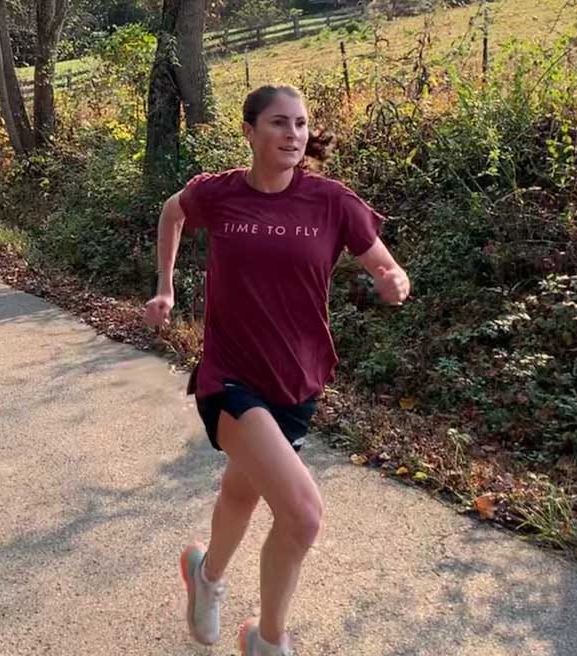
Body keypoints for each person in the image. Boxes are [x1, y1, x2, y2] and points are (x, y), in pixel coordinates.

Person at [144, 84, 410, 656]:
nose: (293, 135)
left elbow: (386, 266)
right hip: (229, 378)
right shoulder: (219, 194)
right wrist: (164, 286)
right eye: (278, 123)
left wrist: (393, 283)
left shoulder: (332, 201)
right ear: (249, 131)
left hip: (297, 380)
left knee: (242, 494)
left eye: (301, 124)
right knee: (304, 515)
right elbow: (172, 212)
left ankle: (205, 577)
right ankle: (268, 641)